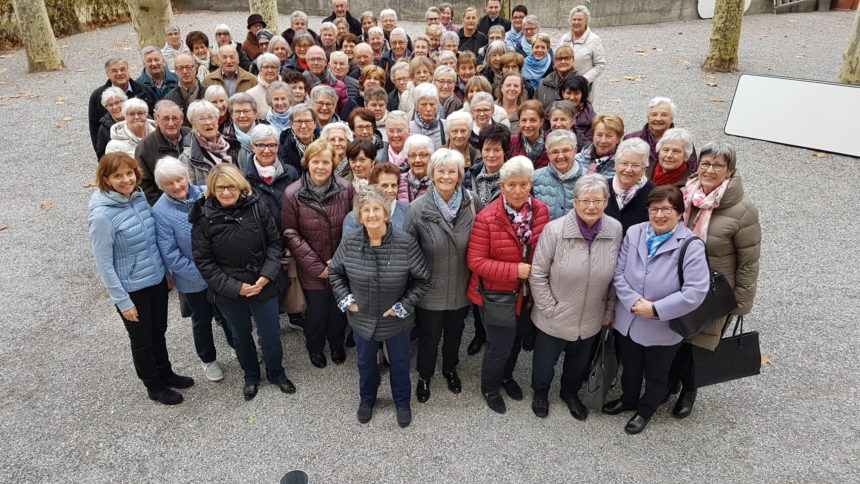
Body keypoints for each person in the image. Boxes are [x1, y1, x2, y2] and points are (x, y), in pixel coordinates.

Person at [604, 185, 710, 434]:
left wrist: (655, 309)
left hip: (663, 325)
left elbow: (696, 291)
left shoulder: (691, 245)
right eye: (654, 209)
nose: (659, 215)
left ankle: (646, 409)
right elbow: (619, 273)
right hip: (629, 318)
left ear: (679, 213)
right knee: (630, 367)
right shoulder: (634, 232)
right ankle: (628, 399)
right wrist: (632, 301)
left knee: (656, 373)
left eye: (666, 209)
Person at [89, 153, 192, 405]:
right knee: (142, 340)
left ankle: (165, 372)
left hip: (155, 279)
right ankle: (154, 385)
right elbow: (104, 263)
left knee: (159, 331)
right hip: (132, 288)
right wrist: (122, 301)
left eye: (129, 173)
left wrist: (166, 274)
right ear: (106, 179)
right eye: (118, 175)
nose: (126, 179)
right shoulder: (102, 216)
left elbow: (152, 240)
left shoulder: (137, 197)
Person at [669, 141, 761, 418]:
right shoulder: (685, 195)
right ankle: (669, 383)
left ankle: (690, 390)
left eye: (718, 165)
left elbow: (749, 261)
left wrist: (743, 302)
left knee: (702, 341)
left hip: (714, 289)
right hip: (678, 281)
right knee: (675, 335)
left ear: (730, 171)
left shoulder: (742, 211)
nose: (710, 169)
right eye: (706, 163)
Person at [190, 164, 295, 400]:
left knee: (270, 334)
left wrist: (266, 276)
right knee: (240, 335)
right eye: (220, 188)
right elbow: (204, 262)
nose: (226, 192)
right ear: (212, 190)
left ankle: (276, 372)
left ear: (240, 187)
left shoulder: (257, 207)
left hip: (262, 284)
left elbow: (274, 243)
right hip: (229, 291)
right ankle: (251, 376)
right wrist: (236, 287)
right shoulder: (203, 218)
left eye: (231, 187)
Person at [329, 186, 429, 426]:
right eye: (366, 210)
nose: (371, 214)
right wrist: (347, 301)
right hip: (362, 319)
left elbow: (422, 279)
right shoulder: (350, 241)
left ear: (386, 214)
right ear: (359, 215)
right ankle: (367, 399)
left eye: (376, 209)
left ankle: (402, 402)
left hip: (396, 320)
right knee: (365, 363)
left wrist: (402, 306)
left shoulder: (405, 243)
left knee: (400, 363)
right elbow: (335, 273)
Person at [529, 174, 622, 419]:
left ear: (606, 201)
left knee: (577, 363)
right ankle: (540, 393)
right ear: (575, 201)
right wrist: (550, 308)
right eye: (585, 200)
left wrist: (610, 310)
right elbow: (537, 274)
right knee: (544, 363)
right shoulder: (555, 230)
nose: (591, 206)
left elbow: (616, 276)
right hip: (555, 315)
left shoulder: (615, 229)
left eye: (598, 200)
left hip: (592, 314)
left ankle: (569, 393)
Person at [467, 156, 550, 414]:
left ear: (530, 185)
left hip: (526, 294)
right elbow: (476, 261)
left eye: (523, 184)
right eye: (511, 184)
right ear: (502, 186)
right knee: (498, 346)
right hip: (496, 295)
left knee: (516, 341)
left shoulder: (541, 210)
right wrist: (515, 270)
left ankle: (506, 377)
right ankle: (490, 387)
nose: (517, 190)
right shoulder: (487, 217)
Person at [404, 148, 481, 403]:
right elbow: (409, 250)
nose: (446, 176)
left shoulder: (472, 204)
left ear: (460, 175)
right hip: (430, 289)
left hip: (461, 286)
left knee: (456, 331)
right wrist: (421, 279)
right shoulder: (416, 209)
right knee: (429, 336)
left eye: (452, 171)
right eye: (441, 171)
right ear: (432, 174)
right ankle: (425, 375)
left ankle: (450, 368)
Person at [151, 156, 234, 383]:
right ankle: (208, 359)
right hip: (193, 279)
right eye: (170, 183)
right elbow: (171, 256)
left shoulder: (208, 192)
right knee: (202, 319)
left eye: (179, 179)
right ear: (162, 186)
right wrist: (205, 274)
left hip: (221, 271)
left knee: (229, 313)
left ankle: (236, 344)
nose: (177, 186)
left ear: (187, 176)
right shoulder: (160, 212)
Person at [282, 139, 356, 369]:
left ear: (333, 164)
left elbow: (353, 227)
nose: (321, 167)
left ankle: (336, 344)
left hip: (339, 264)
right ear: (307, 162)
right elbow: (290, 233)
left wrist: (339, 262)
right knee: (316, 313)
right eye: (316, 162)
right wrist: (317, 267)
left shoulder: (346, 188)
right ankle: (314, 347)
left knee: (338, 311)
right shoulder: (292, 193)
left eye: (326, 162)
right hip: (311, 267)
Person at [88, 58, 156, 156]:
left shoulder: (144, 90)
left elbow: (154, 117)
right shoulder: (97, 96)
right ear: (108, 74)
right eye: (114, 71)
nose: (119, 73)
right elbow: (94, 127)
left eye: (123, 69)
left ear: (128, 70)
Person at [243, 124, 300, 233]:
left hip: (289, 238)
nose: (267, 150)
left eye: (271, 145)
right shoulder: (244, 177)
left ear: (278, 147)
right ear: (252, 147)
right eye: (260, 145)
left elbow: (299, 210)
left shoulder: (290, 172)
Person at [136, 100, 189, 205]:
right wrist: (162, 206)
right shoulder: (145, 146)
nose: (171, 123)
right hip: (166, 204)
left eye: (175, 118)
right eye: (165, 118)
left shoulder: (191, 136)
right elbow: (144, 183)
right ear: (156, 119)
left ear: (182, 119)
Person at [624, 97, 698, 171]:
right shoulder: (631, 138)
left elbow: (692, 170)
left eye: (664, 115)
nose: (658, 119)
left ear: (672, 118)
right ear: (648, 117)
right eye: (654, 115)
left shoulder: (683, 140)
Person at [180, 100, 241, 186]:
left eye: (211, 117)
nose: (208, 122)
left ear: (217, 121)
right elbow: (190, 192)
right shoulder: (187, 158)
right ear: (193, 125)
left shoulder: (234, 146)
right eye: (201, 119)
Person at [605, 138, 656, 235]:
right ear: (615, 165)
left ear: (643, 169)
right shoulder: (601, 189)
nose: (628, 169)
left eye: (635, 165)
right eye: (624, 163)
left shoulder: (654, 194)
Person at [532, 130, 585, 220]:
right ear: (548, 154)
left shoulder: (588, 179)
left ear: (575, 151)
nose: (560, 156)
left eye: (565, 150)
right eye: (555, 152)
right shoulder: (535, 178)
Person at [343, 162, 408, 233]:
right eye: (384, 186)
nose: (390, 190)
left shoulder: (408, 212)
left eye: (393, 185)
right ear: (373, 186)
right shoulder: (354, 217)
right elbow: (350, 243)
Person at [558, 6, 606, 102]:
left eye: (579, 20)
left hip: (583, 88)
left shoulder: (594, 40)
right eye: (574, 19)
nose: (576, 22)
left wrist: (584, 80)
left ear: (586, 21)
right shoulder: (564, 39)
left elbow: (600, 65)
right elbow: (556, 59)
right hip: (563, 86)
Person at [470, 123, 510, 204]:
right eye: (487, 149)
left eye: (497, 150)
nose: (491, 155)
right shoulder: (471, 174)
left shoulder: (513, 177)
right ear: (481, 150)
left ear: (504, 151)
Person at [575, 113, 624, 180]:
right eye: (599, 135)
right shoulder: (577, 160)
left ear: (618, 138)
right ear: (593, 136)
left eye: (609, 136)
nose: (603, 141)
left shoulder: (623, 166)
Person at [165, 54, 210, 125]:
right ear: (175, 71)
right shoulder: (169, 99)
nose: (185, 71)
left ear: (195, 68)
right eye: (180, 68)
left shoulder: (208, 93)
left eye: (188, 67)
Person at [221, 93, 263, 168]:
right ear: (231, 115)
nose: (242, 115)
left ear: (255, 113)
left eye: (246, 111)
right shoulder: (224, 137)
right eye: (237, 112)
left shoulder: (268, 132)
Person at [278, 105, 321, 173]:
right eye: (298, 121)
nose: (303, 126)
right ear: (291, 124)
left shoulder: (324, 144)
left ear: (315, 123)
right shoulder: (283, 146)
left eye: (307, 121)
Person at [508, 100, 549, 170]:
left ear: (541, 122)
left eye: (533, 120)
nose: (527, 125)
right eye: (524, 120)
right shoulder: (510, 143)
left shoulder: (551, 144)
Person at [559, 76, 596, 148]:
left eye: (576, 93)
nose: (572, 97)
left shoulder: (591, 117)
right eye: (568, 93)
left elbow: (589, 144)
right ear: (563, 93)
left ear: (583, 94)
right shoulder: (552, 110)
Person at [397, 134, 434, 203]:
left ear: (431, 157)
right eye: (413, 155)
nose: (417, 160)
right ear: (407, 159)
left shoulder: (437, 182)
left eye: (422, 155)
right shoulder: (398, 181)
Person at [409, 83, 446, 150]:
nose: (428, 109)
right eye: (424, 104)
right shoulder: (408, 129)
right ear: (416, 106)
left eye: (432, 104)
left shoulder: (446, 126)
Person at [246, 53, 282, 119]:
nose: (270, 70)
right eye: (266, 67)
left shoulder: (287, 90)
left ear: (278, 70)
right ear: (260, 70)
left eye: (273, 67)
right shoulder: (251, 94)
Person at [95, 87, 128, 159]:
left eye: (117, 102)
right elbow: (102, 156)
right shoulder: (103, 129)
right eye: (110, 105)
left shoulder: (139, 117)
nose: (115, 107)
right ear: (106, 108)